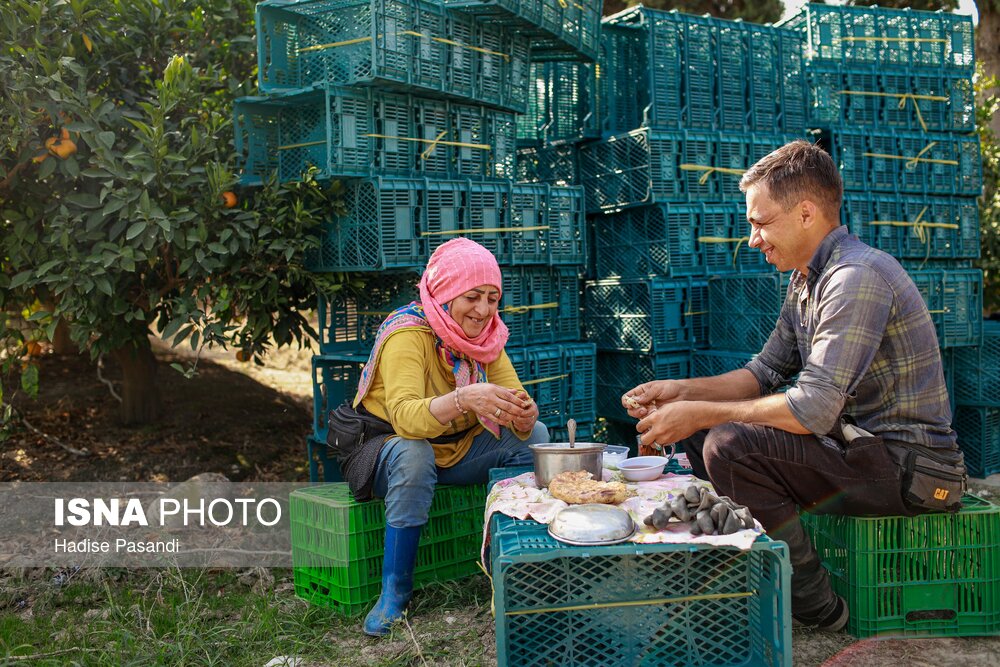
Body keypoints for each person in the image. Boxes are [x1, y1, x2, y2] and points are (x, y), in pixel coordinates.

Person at [622, 140, 964, 632]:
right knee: (704, 433)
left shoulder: (855, 278)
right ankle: (743, 563)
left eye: (761, 223)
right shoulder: (806, 280)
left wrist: (703, 413)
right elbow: (762, 373)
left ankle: (814, 604)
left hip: (911, 471)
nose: (753, 238)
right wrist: (680, 393)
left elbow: (814, 410)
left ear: (806, 213)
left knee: (728, 443)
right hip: (858, 453)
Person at [333, 237, 547, 637]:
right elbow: (406, 419)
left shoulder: (487, 339)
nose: (483, 310)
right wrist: (465, 398)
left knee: (536, 436)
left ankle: (514, 562)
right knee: (414, 453)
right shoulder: (407, 334)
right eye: (472, 297)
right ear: (446, 293)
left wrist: (523, 413)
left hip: (452, 450)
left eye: (492, 298)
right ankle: (395, 592)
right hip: (385, 452)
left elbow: (516, 403)